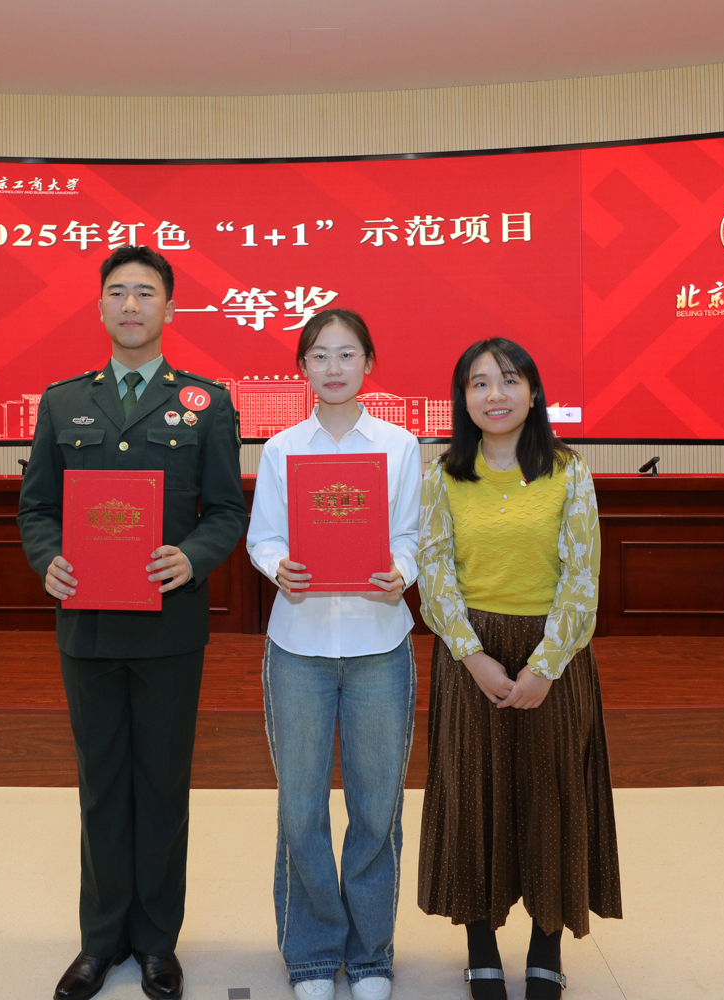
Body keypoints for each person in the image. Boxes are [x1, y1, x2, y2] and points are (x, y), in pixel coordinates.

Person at [18, 244, 248, 1000]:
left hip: (167, 628)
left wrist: (193, 557)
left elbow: (226, 510)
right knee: (101, 784)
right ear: (100, 307)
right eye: (117, 292)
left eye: (146, 292)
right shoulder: (62, 403)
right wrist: (48, 559)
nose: (130, 305)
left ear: (169, 308)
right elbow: (37, 509)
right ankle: (100, 941)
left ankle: (156, 944)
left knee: (162, 786)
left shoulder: (206, 403)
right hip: (86, 627)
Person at [415, 338, 622, 1000]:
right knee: (472, 796)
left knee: (549, 797)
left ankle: (546, 944)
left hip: (552, 656)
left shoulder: (568, 471)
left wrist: (546, 666)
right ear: (463, 399)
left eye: (508, 380)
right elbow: (434, 569)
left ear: (533, 394)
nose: (494, 395)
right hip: (470, 653)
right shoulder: (444, 475)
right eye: (478, 383)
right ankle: (479, 945)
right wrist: (471, 655)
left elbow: (582, 575)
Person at [245, 309, 421, 1000]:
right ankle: (314, 956)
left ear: (368, 363)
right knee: (301, 810)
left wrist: (400, 572)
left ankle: (371, 955)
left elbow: (411, 534)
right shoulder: (281, 448)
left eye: (348, 354)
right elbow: (264, 538)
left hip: (380, 645)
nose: (334, 367)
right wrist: (279, 567)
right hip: (300, 645)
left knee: (377, 808)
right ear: (303, 368)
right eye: (320, 355)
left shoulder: (401, 445)